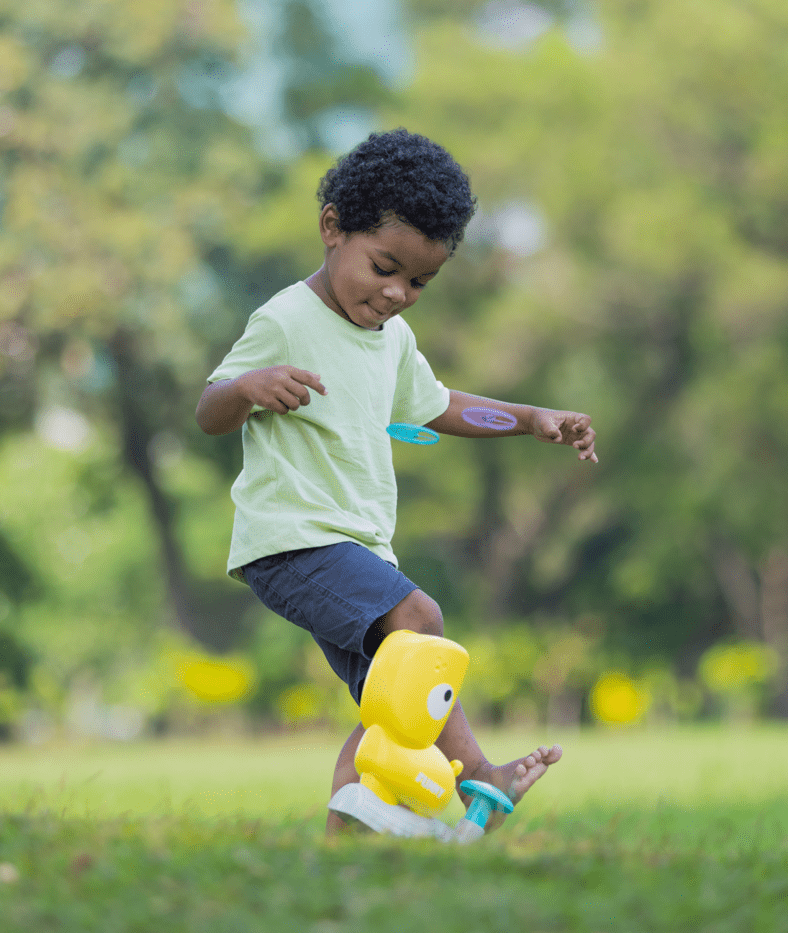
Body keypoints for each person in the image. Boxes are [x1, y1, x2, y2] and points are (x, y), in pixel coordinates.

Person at [195, 128, 597, 834]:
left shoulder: (392, 340)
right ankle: (476, 773)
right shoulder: (287, 318)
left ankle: (354, 830)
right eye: (384, 266)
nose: (396, 293)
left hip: (355, 547)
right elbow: (209, 410)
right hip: (292, 540)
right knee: (420, 621)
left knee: (396, 694)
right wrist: (250, 386)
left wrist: (531, 418)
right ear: (332, 229)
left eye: (418, 282)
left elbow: (440, 406)